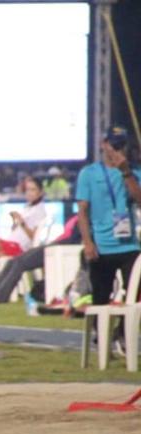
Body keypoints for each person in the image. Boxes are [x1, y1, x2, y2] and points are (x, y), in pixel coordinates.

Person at [75, 125, 141, 350]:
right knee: (101, 297)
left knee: (135, 293)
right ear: (104, 145)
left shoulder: (133, 172)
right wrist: (88, 242)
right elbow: (82, 210)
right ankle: (101, 339)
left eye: (121, 145)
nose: (118, 150)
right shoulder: (89, 173)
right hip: (102, 245)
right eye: (114, 145)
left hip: (128, 245)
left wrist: (126, 173)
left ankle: (122, 332)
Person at [0, 214, 80, 304]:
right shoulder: (76, 216)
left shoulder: (83, 219)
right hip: (54, 245)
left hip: (59, 248)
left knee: (20, 263)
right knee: (12, 261)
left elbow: (73, 239)